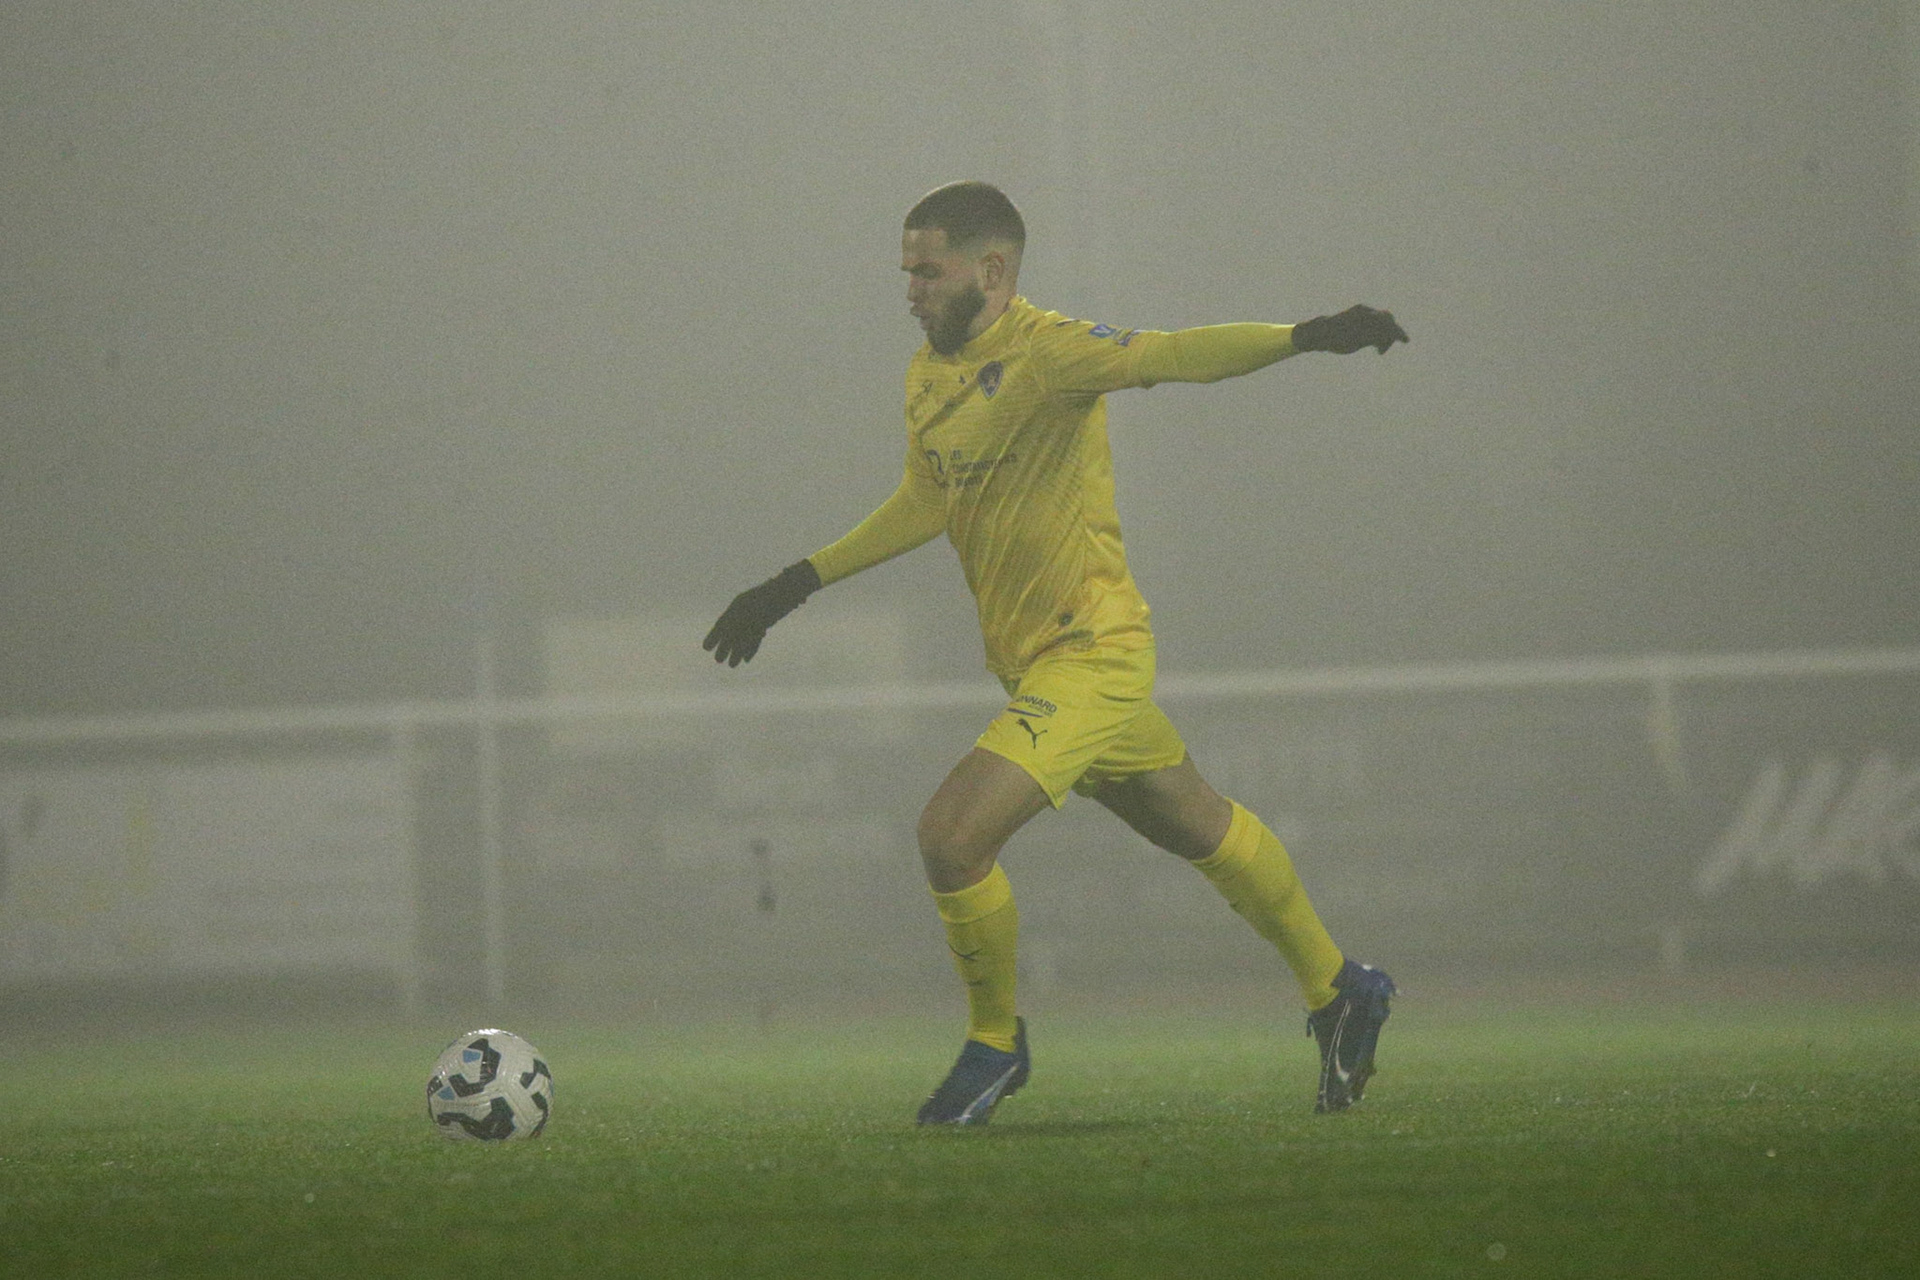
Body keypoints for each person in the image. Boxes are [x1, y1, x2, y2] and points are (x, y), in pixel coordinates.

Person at [704, 180, 1408, 1125]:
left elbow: (1171, 354)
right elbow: (928, 499)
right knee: (1198, 825)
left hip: (1092, 653)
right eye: (906, 270)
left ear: (992, 270)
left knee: (952, 837)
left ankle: (995, 1046)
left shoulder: (1048, 353)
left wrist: (1304, 336)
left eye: (928, 270)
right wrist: (796, 582)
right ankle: (1341, 988)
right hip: (1037, 665)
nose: (910, 289)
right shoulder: (928, 374)